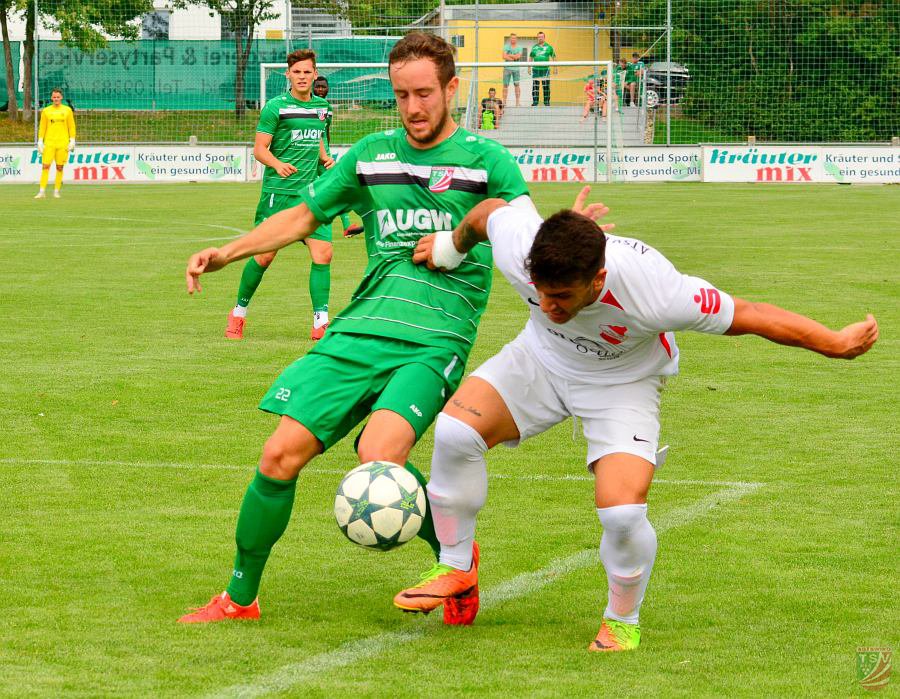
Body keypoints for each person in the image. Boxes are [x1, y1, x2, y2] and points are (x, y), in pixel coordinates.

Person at [394, 187, 879, 650]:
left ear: (598, 280)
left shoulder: (658, 292)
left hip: (622, 383)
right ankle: (457, 565)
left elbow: (750, 313)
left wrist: (833, 343)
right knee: (456, 432)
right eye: (540, 292)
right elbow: (488, 213)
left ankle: (622, 621)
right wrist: (449, 248)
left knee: (622, 512)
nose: (548, 304)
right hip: (541, 360)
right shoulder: (524, 249)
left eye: (561, 295)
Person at [179, 32, 531, 626]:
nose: (413, 108)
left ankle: (456, 562)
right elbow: (302, 216)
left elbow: (525, 235)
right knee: (277, 457)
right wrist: (228, 252)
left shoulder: (487, 160)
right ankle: (240, 599)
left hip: (435, 338)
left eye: (424, 93)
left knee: (379, 455)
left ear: (452, 88)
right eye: (401, 95)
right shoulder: (370, 152)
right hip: (359, 329)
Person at [225, 49, 335, 342]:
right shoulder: (275, 107)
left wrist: (326, 159)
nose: (302, 77)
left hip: (311, 196)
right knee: (263, 257)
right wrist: (277, 164)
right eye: (296, 72)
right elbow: (260, 149)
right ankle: (238, 313)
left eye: (307, 72)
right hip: (279, 196)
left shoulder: (323, 107)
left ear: (315, 74)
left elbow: (319, 138)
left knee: (323, 253)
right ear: (288, 75)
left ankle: (321, 322)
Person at [312, 76, 364, 238]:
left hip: (323, 154)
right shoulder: (307, 104)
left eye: (323, 87)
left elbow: (326, 130)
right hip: (306, 153)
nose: (320, 89)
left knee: (338, 186)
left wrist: (327, 150)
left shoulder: (327, 107)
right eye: (318, 86)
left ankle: (348, 225)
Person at [34, 88, 75, 199]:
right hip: (49, 143)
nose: (56, 99)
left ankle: (56, 191)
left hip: (62, 143)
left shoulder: (67, 110)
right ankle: (42, 191)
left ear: (61, 98)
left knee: (60, 167)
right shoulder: (46, 111)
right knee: (45, 166)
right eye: (54, 97)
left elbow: (71, 126)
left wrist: (72, 140)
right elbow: (42, 127)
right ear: (51, 98)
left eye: (58, 97)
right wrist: (40, 140)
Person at [529, 31, 557, 107]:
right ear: (537, 38)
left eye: (542, 37)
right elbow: (531, 57)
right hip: (536, 70)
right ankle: (535, 102)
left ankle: (546, 102)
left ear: (544, 38)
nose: (540, 38)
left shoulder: (549, 47)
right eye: (539, 37)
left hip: (546, 70)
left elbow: (554, 57)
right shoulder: (534, 47)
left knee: (546, 87)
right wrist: (529, 68)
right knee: (535, 87)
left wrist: (555, 68)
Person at [501, 33, 525, 107]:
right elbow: (504, 56)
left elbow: (518, 57)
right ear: (510, 39)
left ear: (516, 39)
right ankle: (504, 102)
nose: (513, 39)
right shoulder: (506, 46)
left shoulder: (519, 47)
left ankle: (517, 102)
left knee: (517, 85)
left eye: (514, 38)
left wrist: (510, 55)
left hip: (516, 69)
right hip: (507, 68)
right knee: (505, 85)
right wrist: (513, 57)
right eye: (512, 38)